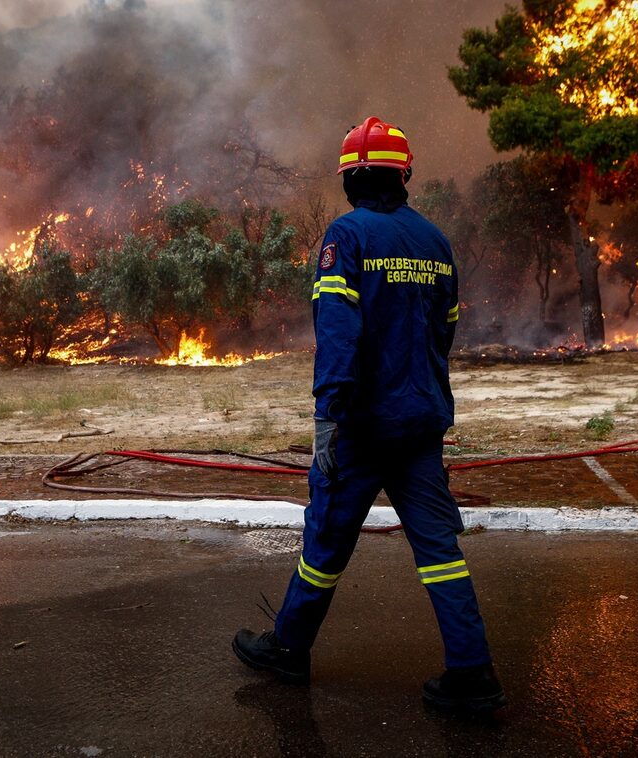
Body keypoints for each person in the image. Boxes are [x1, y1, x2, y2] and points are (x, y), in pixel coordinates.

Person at [231, 117, 504, 714]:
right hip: (421, 423)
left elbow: (338, 333)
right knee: (439, 550)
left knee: (325, 541)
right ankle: (472, 673)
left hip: (360, 427)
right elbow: (446, 331)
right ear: (404, 174)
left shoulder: (346, 237)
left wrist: (329, 416)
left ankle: (289, 648)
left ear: (352, 176)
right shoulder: (436, 242)